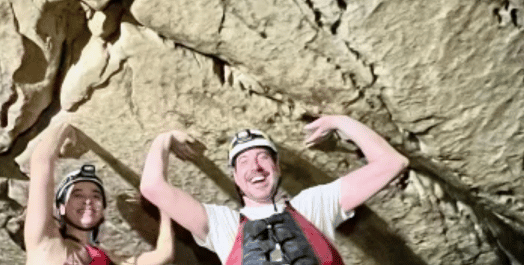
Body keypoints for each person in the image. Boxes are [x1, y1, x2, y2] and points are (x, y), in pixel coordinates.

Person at [140, 114, 409, 265]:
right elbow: (153, 186)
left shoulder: (314, 205)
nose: (255, 167)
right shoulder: (222, 225)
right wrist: (163, 140)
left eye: (262, 157)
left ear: (277, 166)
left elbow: (392, 163)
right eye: (243, 161)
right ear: (235, 176)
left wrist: (340, 121)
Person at [25, 113, 176, 265]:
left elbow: (164, 253)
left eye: (96, 196)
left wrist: (165, 141)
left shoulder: (104, 258)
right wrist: (67, 126)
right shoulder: (45, 244)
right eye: (78, 195)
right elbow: (41, 160)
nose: (88, 201)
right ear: (62, 207)